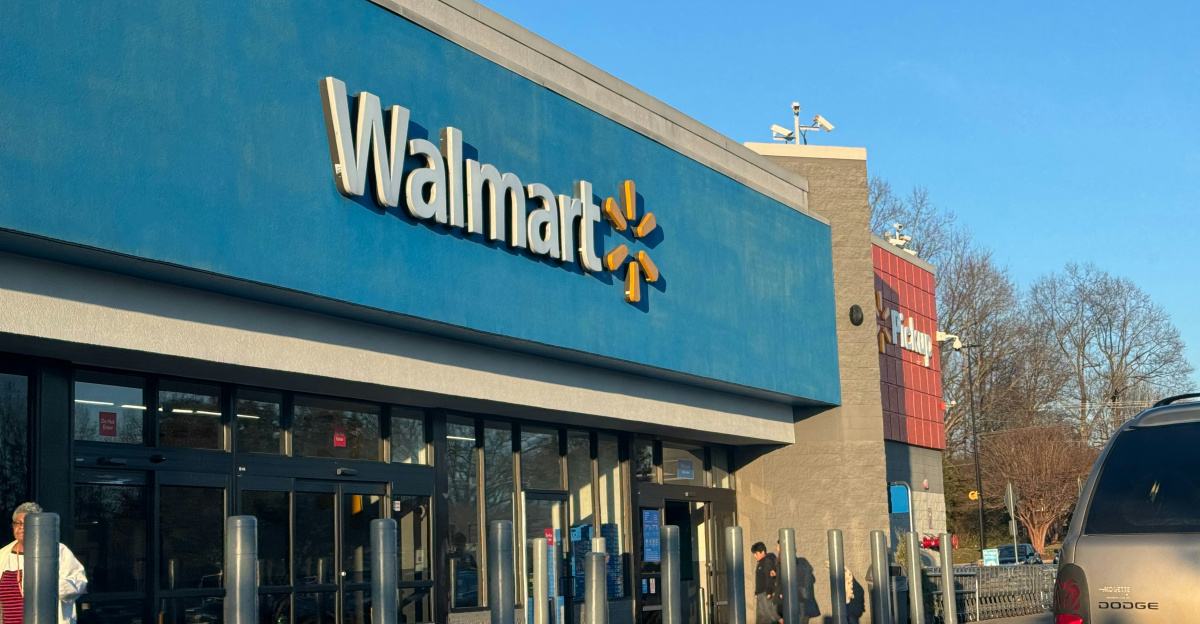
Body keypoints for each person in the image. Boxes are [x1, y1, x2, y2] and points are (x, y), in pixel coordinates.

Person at [0, 502, 87, 624]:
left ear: (38, 526)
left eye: (26, 524)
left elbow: (79, 583)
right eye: (18, 523)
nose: (21, 527)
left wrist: (48, 585)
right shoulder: (2, 555)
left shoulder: (57, 550)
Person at [751, 542, 778, 624]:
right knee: (761, 617)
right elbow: (759, 580)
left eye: (756, 554)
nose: (755, 556)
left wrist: (769, 592)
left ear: (763, 552)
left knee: (770, 616)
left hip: (765, 593)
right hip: (760, 594)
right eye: (754, 554)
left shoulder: (766, 562)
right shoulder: (760, 563)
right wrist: (756, 592)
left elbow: (768, 578)